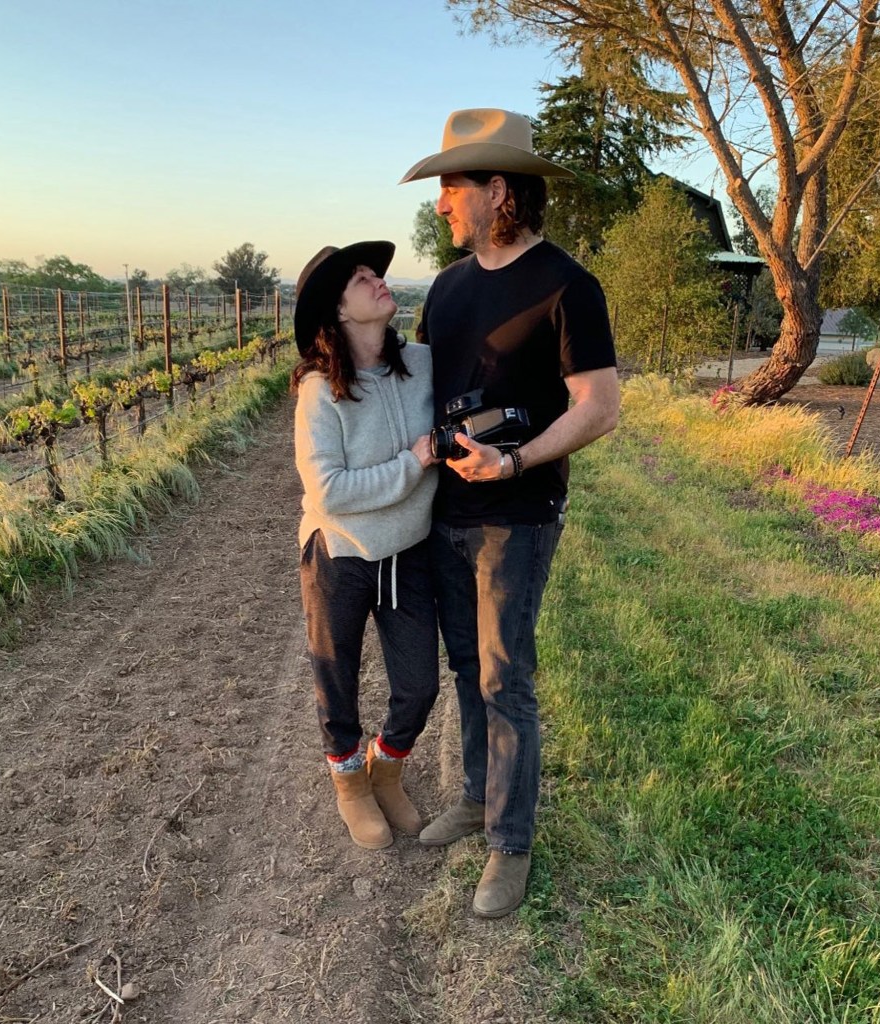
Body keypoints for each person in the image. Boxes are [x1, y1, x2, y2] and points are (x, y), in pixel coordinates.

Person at [399, 109, 620, 916]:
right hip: (444, 512)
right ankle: (475, 797)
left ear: (499, 191)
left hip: (518, 514)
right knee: (467, 666)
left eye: (450, 189)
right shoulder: (449, 290)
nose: (439, 205)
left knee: (504, 677)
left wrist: (516, 460)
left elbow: (600, 407)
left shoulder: (567, 285)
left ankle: (511, 844)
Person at [292, 240, 440, 851]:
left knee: (419, 685)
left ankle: (387, 767)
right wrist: (414, 463)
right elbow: (327, 490)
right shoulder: (320, 393)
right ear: (340, 314)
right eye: (360, 278)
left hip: (408, 550)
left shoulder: (426, 364)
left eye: (375, 272)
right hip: (341, 553)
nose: (377, 280)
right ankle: (350, 785)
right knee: (338, 680)